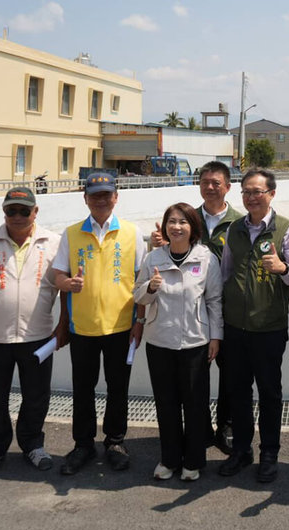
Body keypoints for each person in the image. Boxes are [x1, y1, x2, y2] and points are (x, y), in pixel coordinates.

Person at [0, 187, 67, 478]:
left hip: (39, 334)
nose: (17, 216)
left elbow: (64, 289)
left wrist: (63, 325)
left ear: (36, 212)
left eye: (24, 210)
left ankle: (32, 444)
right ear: (3, 212)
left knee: (36, 396)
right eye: (11, 210)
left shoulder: (54, 243)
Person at [51, 172, 146, 475]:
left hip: (121, 326)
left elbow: (143, 282)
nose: (101, 200)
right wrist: (68, 283)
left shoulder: (132, 233)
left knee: (119, 387)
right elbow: (57, 275)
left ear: (116, 197)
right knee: (83, 389)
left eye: (107, 195)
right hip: (83, 327)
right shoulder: (71, 233)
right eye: (95, 195)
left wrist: (139, 320)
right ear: (86, 199)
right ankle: (83, 444)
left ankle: (115, 441)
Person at [217, 168, 289, 483]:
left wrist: (283, 267)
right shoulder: (234, 230)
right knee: (237, 391)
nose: (252, 197)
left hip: (268, 327)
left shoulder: (287, 230)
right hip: (235, 327)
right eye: (246, 192)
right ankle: (242, 450)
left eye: (257, 192)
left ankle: (270, 452)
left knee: (270, 393)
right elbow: (226, 272)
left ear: (271, 193)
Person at [150, 161, 242, 454]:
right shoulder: (188, 218)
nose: (210, 187)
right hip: (191, 310)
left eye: (216, 182)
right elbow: (172, 251)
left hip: (231, 308)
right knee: (194, 380)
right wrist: (163, 242)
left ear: (228, 186)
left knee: (229, 371)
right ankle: (199, 429)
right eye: (205, 182)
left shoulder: (239, 223)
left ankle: (225, 425)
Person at [135, 203, 223, 482]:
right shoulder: (153, 259)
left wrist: (216, 337)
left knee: (195, 404)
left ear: (193, 228)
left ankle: (193, 461)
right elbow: (138, 297)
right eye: (171, 221)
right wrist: (150, 287)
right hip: (160, 341)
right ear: (164, 227)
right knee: (166, 403)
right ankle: (169, 459)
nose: (176, 227)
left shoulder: (206, 258)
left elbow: (214, 301)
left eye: (183, 222)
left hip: (196, 342)